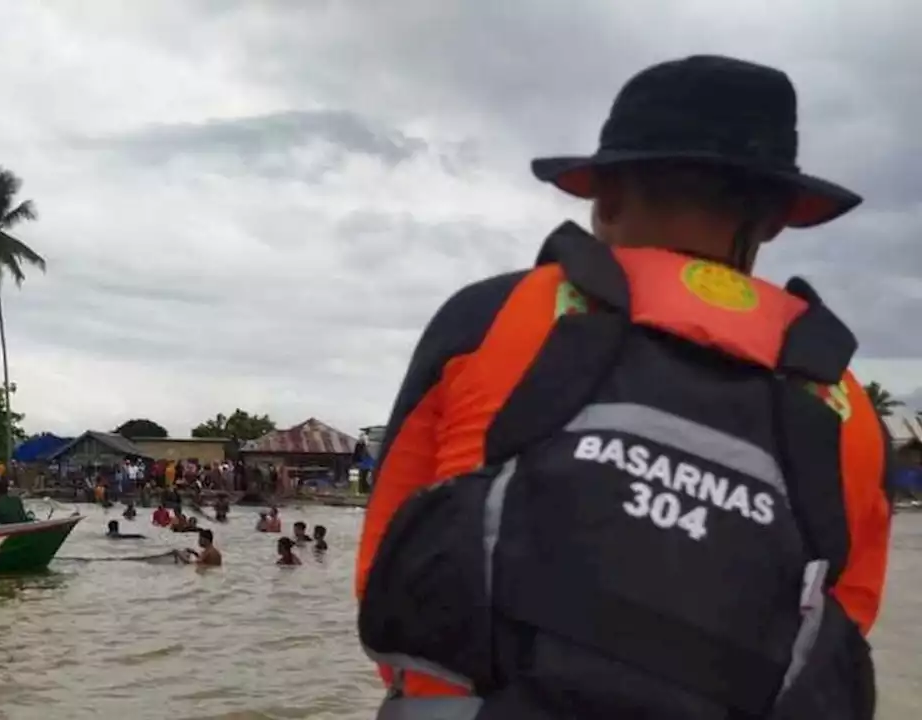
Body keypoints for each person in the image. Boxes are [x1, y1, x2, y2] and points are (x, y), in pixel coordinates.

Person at [357, 56, 891, 720]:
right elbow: (846, 626)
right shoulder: (844, 402)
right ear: (778, 218)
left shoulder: (491, 316)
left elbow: (384, 573)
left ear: (604, 196)